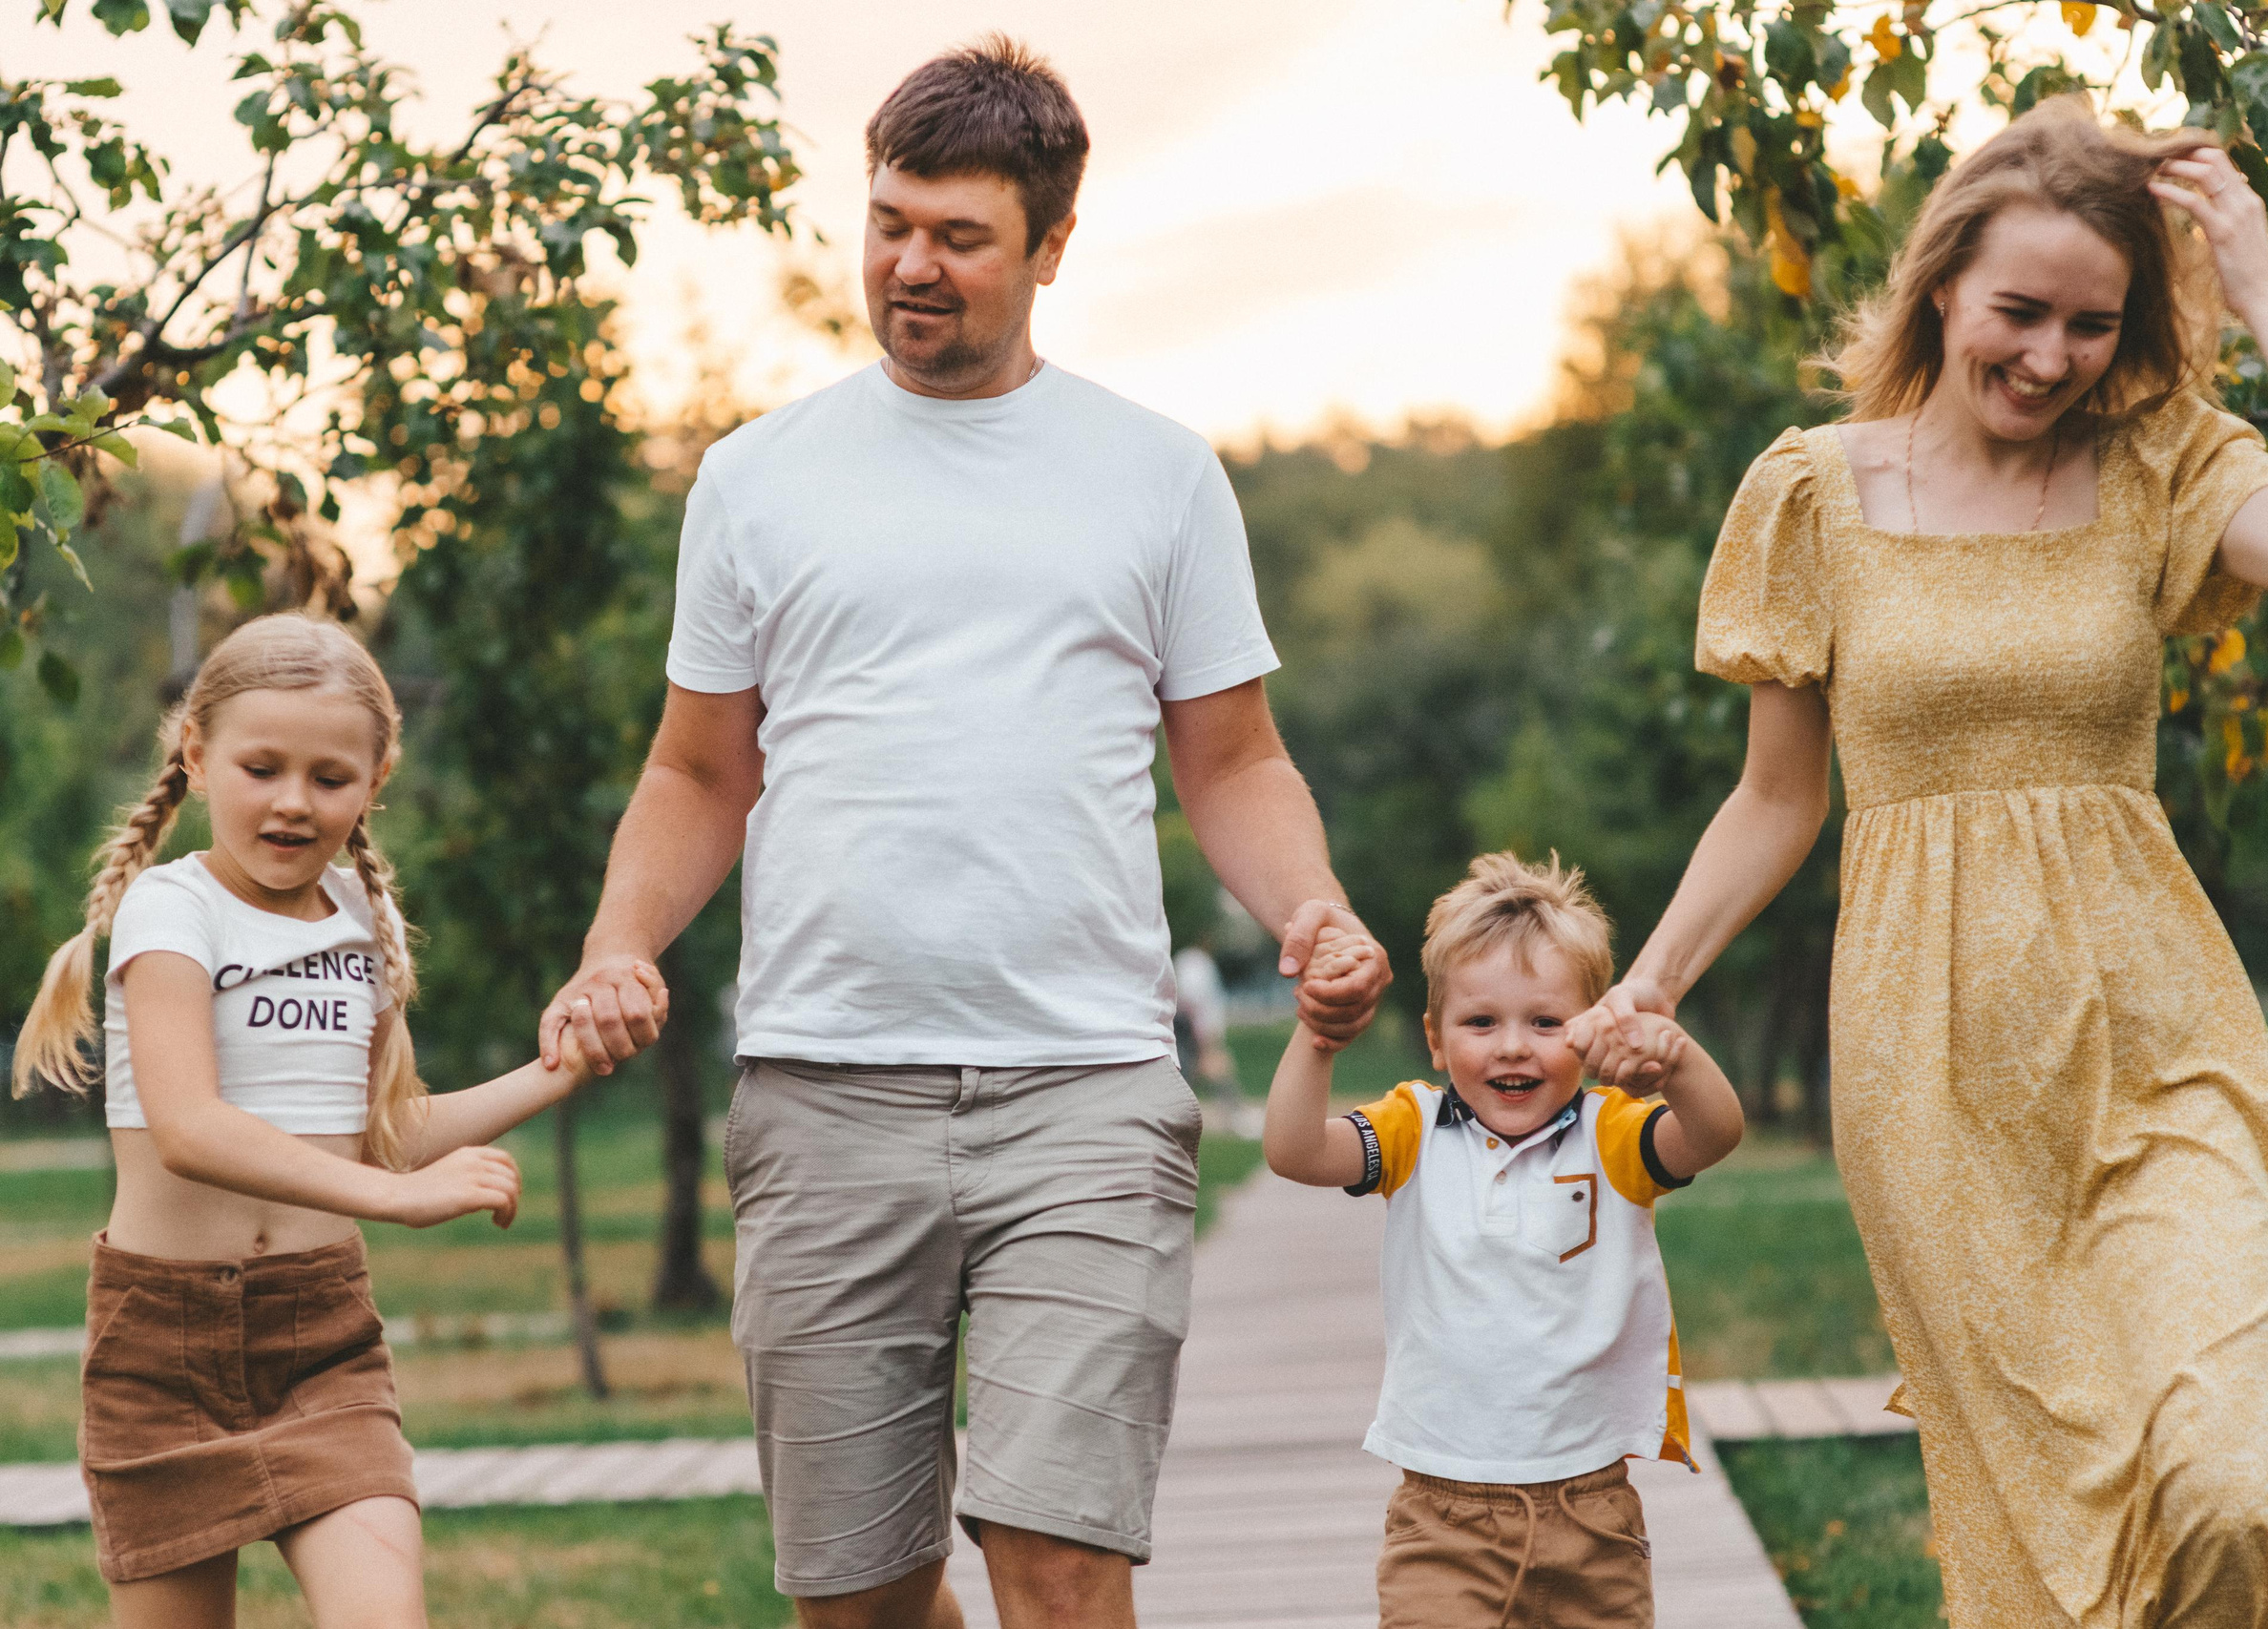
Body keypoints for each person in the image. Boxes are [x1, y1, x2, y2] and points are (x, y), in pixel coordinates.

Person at [534, 36, 1392, 1629]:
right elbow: (698, 769)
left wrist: (1313, 906)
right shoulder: (756, 478)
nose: (907, 266)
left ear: (1052, 247)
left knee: (1058, 1560)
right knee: (859, 1597)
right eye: (887, 222)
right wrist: (616, 944)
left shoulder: (1156, 475)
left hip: (1084, 1081)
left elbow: (1234, 756)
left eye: (958, 235)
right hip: (821, 1082)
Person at [1568, 98, 2268, 1627]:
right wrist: (1646, 984)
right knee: (2045, 1514)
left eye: (2094, 323)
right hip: (1936, 1067)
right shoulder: (1813, 491)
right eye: (2019, 311)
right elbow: (1778, 797)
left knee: (2227, 1475)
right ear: (1942, 285)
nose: (2050, 356)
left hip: (2164, 1039)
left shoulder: (2165, 462)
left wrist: (2262, 288)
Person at [10, 613, 645, 1628]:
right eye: (262, 767)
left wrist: (552, 1074)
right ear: (197, 753)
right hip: (161, 1346)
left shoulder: (361, 922)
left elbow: (374, 1135)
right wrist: (393, 1199)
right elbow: (190, 1127)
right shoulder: (170, 912)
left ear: (377, 777)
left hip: (322, 1342)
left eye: (331, 778)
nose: (293, 803)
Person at [1264, 853, 1743, 1629]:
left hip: (1591, 1512)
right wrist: (1318, 1039)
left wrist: (1675, 1058)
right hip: (1443, 1515)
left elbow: (1715, 1133)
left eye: (1546, 1022)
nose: (1513, 1046)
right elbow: (1295, 1151)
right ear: (1435, 1037)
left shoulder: (1611, 1133)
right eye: (1481, 1022)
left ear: (1589, 1030)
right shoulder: (1413, 1130)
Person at [1171, 932, 1259, 1138]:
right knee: (1213, 1068)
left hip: (1195, 1028)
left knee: (1197, 1072)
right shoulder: (1195, 962)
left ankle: (1231, 1115)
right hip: (1196, 1029)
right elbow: (1192, 1000)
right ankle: (1235, 1116)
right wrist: (1202, 1034)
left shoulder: (1193, 961)